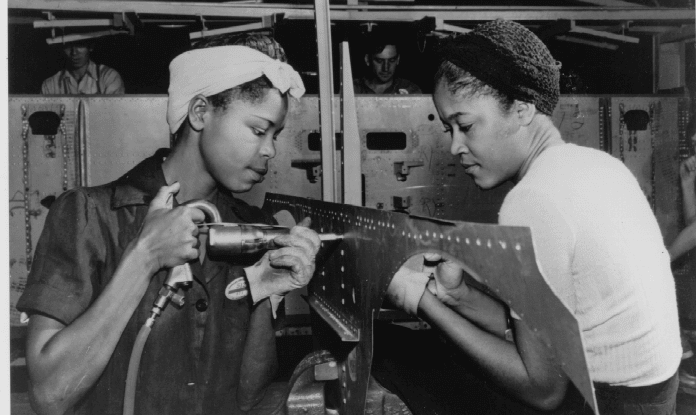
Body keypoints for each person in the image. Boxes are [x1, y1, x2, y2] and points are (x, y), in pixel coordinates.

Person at [386, 20, 681, 414]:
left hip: (606, 402)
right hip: (654, 398)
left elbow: (543, 389)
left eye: (466, 125)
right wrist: (459, 297)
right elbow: (555, 334)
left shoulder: (532, 200)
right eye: (448, 129)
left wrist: (421, 301)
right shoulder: (597, 164)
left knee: (399, 357)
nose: (456, 146)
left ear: (522, 109)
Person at [18, 36, 321, 415]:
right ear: (199, 112)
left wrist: (266, 298)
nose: (270, 151)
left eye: (275, 136)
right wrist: (144, 257)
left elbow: (248, 400)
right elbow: (50, 396)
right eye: (259, 130)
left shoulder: (250, 228)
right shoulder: (89, 215)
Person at [41, 40, 125, 95]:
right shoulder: (50, 85)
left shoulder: (109, 77)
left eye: (79, 45)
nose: (74, 52)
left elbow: (114, 115)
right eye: (68, 46)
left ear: (91, 47)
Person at [353, 31, 421, 95]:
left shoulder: (410, 90)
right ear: (367, 60)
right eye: (379, 61)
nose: (386, 68)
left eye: (391, 60)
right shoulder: (353, 89)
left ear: (398, 59)